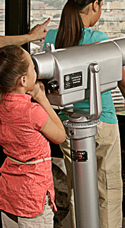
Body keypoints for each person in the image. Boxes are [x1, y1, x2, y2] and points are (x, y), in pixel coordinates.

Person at [43, 0, 125, 227]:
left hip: (67, 127)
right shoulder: (99, 39)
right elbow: (124, 82)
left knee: (80, 190)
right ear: (95, 5)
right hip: (102, 123)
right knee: (107, 191)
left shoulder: (53, 37)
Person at [0, 45, 66, 227]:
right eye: (33, 67)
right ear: (23, 80)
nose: (36, 70)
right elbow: (60, 135)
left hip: (9, 195)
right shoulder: (32, 111)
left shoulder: (2, 105)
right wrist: (42, 98)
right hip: (32, 198)